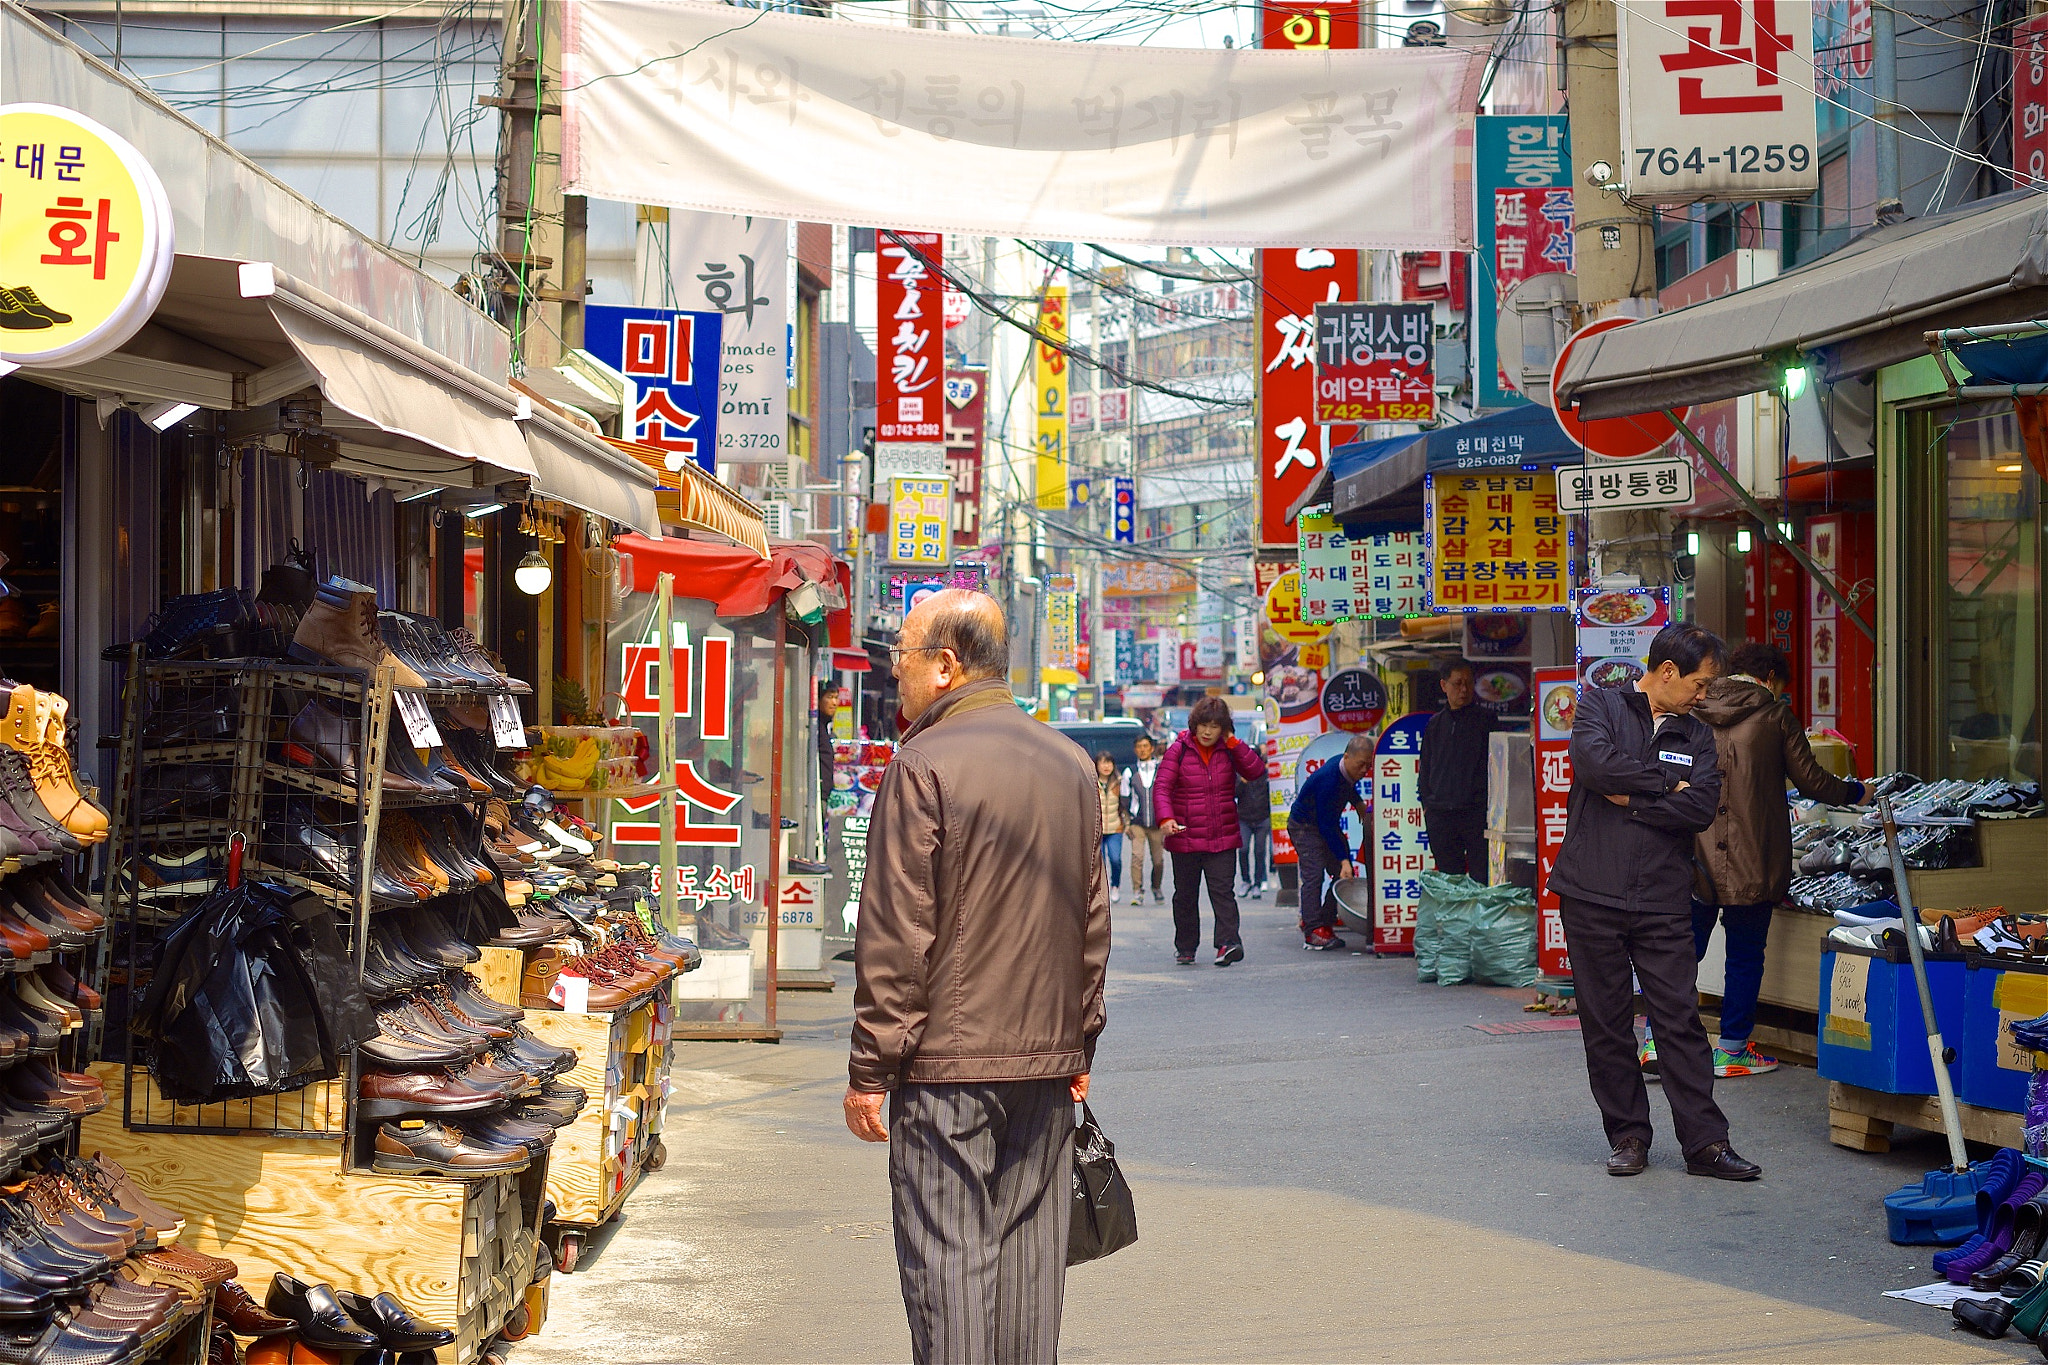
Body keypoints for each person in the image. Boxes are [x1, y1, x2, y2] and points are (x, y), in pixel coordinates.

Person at [844, 589, 1111, 1365]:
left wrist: (871, 1065)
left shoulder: (922, 764)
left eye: (902, 658)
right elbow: (1092, 921)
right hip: (1048, 1061)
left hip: (947, 1067)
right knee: (1029, 1263)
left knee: (948, 1259)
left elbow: (897, 931)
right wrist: (1081, 1041)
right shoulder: (1068, 762)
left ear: (946, 665)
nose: (894, 674)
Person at [1549, 622, 1761, 1182]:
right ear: (1667, 672)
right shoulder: (1600, 705)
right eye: (1698, 683)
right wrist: (1667, 786)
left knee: (1680, 1020)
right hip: (1591, 890)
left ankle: (1706, 1144)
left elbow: (1701, 809)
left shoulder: (1698, 737)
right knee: (1607, 1022)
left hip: (1665, 898)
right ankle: (1628, 1136)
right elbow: (1595, 767)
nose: (1702, 696)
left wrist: (1635, 799)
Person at [1689, 642, 1865, 1079]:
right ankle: (1731, 1050)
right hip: (1755, 858)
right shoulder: (1774, 715)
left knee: (1679, 953)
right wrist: (1857, 793)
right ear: (1769, 678)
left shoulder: (1692, 709)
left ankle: (1657, 1039)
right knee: (1745, 956)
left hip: (1693, 857)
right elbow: (1812, 781)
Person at [1154, 696, 1264, 967]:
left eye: (1215, 726)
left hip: (1222, 835)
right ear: (1194, 725)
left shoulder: (1229, 749)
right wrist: (1166, 818)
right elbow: (1162, 788)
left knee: (1223, 891)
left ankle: (1228, 943)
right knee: (1186, 895)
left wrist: (1233, 742)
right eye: (1203, 725)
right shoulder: (1178, 750)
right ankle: (1186, 946)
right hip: (1185, 836)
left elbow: (1255, 769)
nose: (1207, 732)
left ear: (1223, 728)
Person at [1287, 733, 1375, 951]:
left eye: (1368, 766)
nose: (1364, 771)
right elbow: (1327, 826)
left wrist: (1358, 803)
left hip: (1323, 824)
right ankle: (1313, 931)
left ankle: (1324, 919)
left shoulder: (1343, 767)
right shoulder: (1329, 779)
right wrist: (1344, 859)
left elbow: (1348, 786)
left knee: (1340, 872)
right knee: (1314, 875)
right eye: (1360, 765)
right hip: (1304, 826)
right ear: (1347, 757)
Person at [1418, 659, 1494, 882]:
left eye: (1469, 684)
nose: (1464, 690)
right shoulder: (1435, 724)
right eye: (1458, 683)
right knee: (1450, 879)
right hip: (1440, 815)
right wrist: (1427, 804)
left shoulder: (1486, 720)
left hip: (1476, 814)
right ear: (1444, 685)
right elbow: (1426, 767)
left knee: (1481, 876)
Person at [1121, 734, 1168, 906]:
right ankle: (1137, 891)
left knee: (1158, 860)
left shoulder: (1161, 769)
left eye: (1145, 746)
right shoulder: (1130, 772)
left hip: (1157, 824)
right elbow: (1124, 800)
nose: (1142, 749)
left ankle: (1156, 887)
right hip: (1137, 823)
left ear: (1152, 748)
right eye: (1139, 746)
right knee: (1136, 857)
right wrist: (1127, 822)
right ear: (1135, 749)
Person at [1095, 750, 1129, 906]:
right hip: (1098, 830)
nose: (1106, 766)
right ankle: (1100, 890)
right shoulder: (1092, 782)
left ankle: (1115, 885)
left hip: (1115, 828)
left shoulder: (1120, 782)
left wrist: (1127, 824)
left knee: (1115, 859)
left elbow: (1125, 805)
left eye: (1109, 762)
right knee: (1098, 862)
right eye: (1103, 763)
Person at [1235, 762, 1270, 898]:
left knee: (1260, 851)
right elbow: (1234, 793)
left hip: (1262, 818)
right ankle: (1246, 881)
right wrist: (1242, 782)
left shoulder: (1266, 775)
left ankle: (1257, 883)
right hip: (1244, 818)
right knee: (1243, 849)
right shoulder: (1239, 775)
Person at [817, 682, 841, 817]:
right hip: (816, 795)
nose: (834, 703)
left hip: (824, 795)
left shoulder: (824, 727)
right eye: (830, 697)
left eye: (836, 697)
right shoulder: (815, 727)